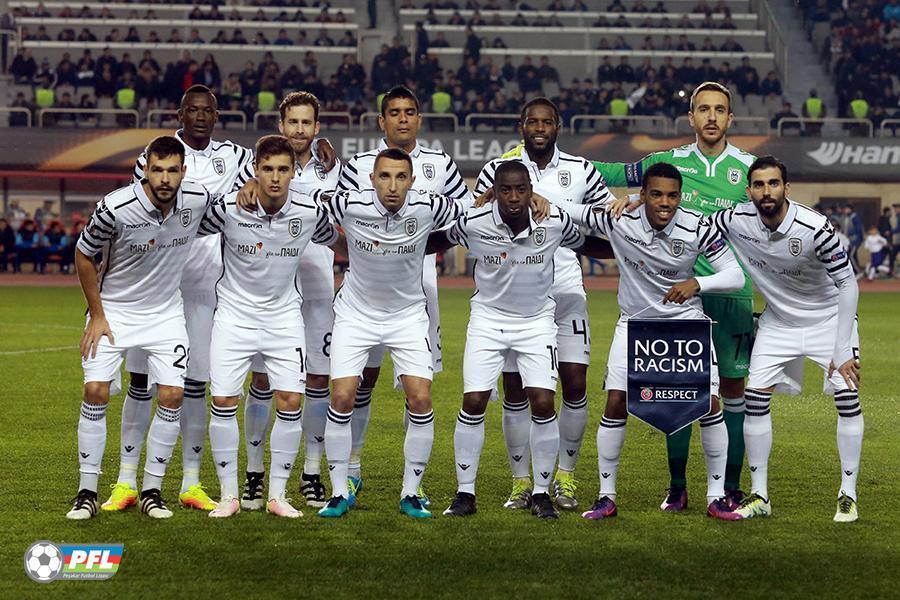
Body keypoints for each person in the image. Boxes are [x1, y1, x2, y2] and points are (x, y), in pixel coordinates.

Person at [586, 82, 756, 512]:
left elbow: (771, 214)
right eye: (704, 109)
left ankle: (729, 486)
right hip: (673, 297)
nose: (712, 117)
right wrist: (555, 165)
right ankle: (678, 486)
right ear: (691, 117)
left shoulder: (749, 167)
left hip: (729, 293)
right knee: (676, 393)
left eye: (720, 109)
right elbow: (612, 173)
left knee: (730, 394)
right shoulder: (667, 162)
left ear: (730, 118)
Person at [556, 162, 744, 521]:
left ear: (680, 197)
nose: (665, 203)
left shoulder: (698, 226)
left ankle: (716, 497)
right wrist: (535, 197)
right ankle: (606, 496)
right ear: (642, 195)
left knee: (709, 404)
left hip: (685, 324)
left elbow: (735, 275)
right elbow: (571, 210)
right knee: (616, 401)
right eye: (656, 194)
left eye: (672, 195)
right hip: (635, 324)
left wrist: (697, 284)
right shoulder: (618, 218)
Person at [100, 85, 255, 516]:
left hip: (204, 291)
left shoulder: (235, 157)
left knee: (195, 386)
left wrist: (316, 152)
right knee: (141, 384)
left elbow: (273, 161)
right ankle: (126, 480)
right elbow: (134, 216)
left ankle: (190, 481)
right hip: (151, 292)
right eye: (193, 109)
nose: (200, 116)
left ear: (217, 116)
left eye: (208, 110)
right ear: (180, 114)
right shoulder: (156, 155)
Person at [430, 161, 609, 519]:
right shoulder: (474, 221)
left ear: (531, 191)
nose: (513, 197)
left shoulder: (553, 222)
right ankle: (465, 493)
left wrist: (632, 249)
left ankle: (541, 494)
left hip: (537, 322)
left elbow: (588, 244)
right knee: (474, 401)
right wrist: (394, 245)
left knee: (543, 402)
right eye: (506, 190)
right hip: (488, 320)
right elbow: (437, 240)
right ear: (494, 192)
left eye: (520, 189)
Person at [336, 86, 473, 506]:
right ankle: (352, 467)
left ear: (419, 119)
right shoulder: (358, 165)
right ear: (382, 121)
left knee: (417, 387)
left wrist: (417, 246)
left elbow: (464, 217)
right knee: (363, 381)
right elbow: (342, 221)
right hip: (365, 283)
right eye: (394, 112)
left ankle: (413, 482)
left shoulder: (440, 164)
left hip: (418, 286)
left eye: (409, 112)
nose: (402, 119)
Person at [475, 97, 612, 511]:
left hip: (566, 290)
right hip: (515, 295)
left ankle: (565, 477)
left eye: (546, 122)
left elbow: (607, 215)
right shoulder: (498, 168)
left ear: (557, 127)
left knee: (574, 384)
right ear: (521, 125)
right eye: (532, 121)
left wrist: (557, 208)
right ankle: (521, 482)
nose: (539, 128)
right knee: (516, 391)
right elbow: (476, 214)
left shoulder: (581, 170)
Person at [66, 136, 213, 520]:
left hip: (165, 315)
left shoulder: (198, 200)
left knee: (172, 395)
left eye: (172, 170)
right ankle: (86, 492)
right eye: (157, 170)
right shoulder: (115, 208)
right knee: (95, 391)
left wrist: (248, 192)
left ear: (183, 171)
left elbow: (233, 213)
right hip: (114, 312)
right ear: (145, 170)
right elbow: (83, 254)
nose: (165, 178)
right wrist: (97, 314)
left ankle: (151, 491)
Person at [712, 156, 863, 523]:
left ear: (786, 188)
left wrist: (842, 347)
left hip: (828, 321)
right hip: (778, 323)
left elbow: (848, 284)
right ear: (749, 191)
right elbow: (694, 224)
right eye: (759, 185)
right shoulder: (734, 219)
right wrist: (635, 200)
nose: (766, 191)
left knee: (847, 399)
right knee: (754, 400)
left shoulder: (815, 227)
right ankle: (760, 495)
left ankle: (848, 494)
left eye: (773, 183)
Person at [201, 135, 340, 519]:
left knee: (291, 401)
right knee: (223, 402)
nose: (275, 177)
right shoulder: (228, 208)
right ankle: (229, 496)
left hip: (284, 319)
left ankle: (278, 495)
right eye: (267, 169)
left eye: (282, 169)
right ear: (255, 171)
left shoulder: (310, 213)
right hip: (233, 318)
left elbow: (335, 239)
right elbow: (186, 227)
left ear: (294, 172)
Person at [235, 91, 342, 508]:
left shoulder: (334, 169)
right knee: (263, 382)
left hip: (317, 288)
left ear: (317, 128)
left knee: (317, 380)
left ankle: (311, 472)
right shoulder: (257, 166)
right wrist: (248, 184)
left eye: (306, 123)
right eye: (292, 122)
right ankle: (255, 472)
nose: (299, 130)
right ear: (281, 125)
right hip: (270, 291)